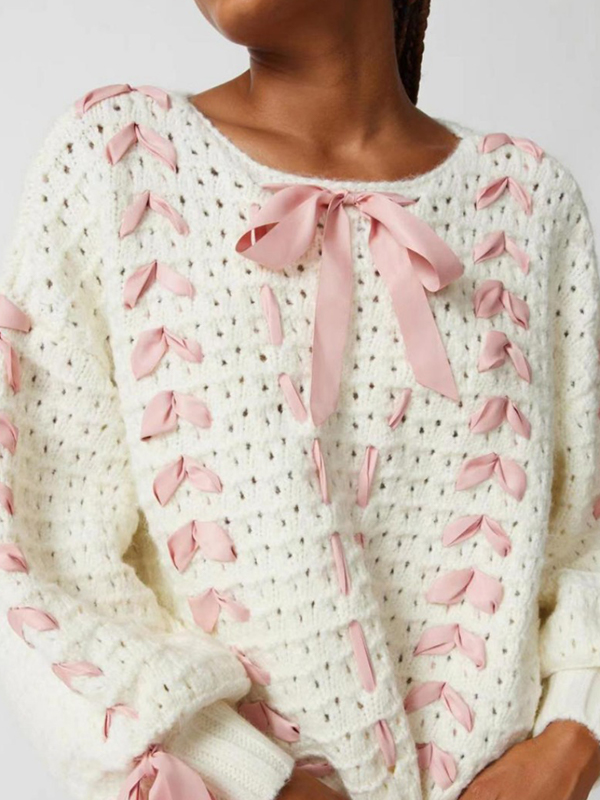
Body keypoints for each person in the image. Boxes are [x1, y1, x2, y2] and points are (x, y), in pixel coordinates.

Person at [0, 1, 599, 799]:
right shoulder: (119, 163)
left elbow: (583, 531)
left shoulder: (527, 204)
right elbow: (34, 555)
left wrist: (573, 732)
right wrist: (251, 777)